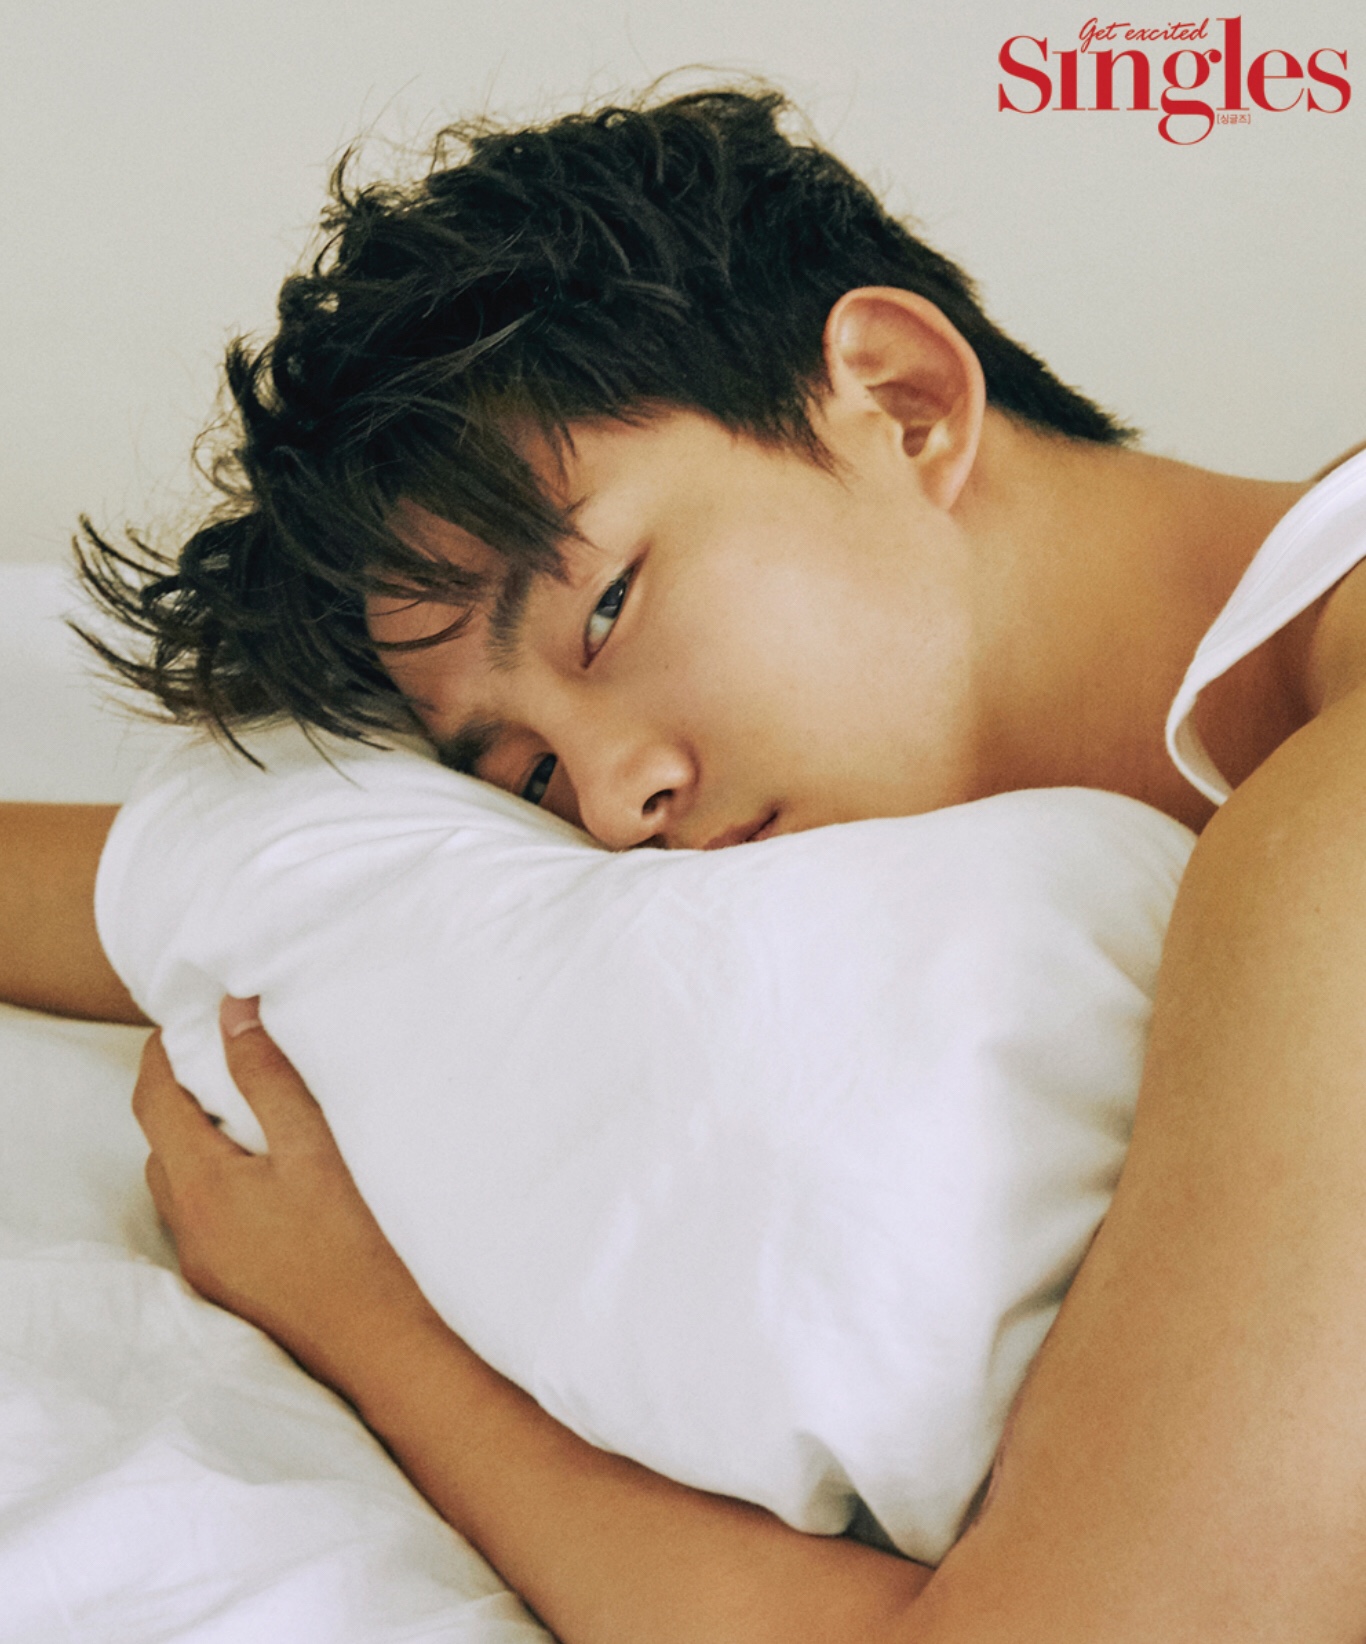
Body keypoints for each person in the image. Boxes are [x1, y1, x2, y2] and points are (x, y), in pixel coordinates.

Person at [5, 84, 1366, 1640]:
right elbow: (293, 902)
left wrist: (372, 1330)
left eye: (603, 614)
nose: (607, 800)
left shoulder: (1323, 837)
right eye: (520, 769)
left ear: (902, 397)